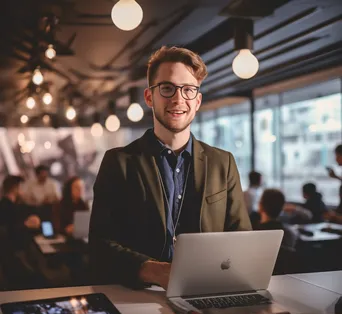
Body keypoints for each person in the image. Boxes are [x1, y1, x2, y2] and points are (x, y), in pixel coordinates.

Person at [89, 46, 251, 290]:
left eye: (188, 90)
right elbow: (100, 246)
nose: (178, 99)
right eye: (167, 88)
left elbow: (242, 239)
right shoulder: (119, 161)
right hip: (141, 295)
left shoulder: (223, 163)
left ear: (197, 101)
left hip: (207, 290)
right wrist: (155, 272)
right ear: (149, 97)